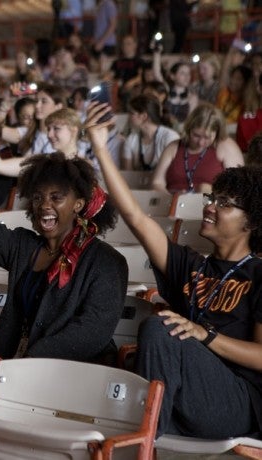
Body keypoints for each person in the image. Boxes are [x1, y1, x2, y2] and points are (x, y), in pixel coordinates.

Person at [86, 101, 262, 440]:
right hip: (185, 388)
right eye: (213, 198)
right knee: (152, 335)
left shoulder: (258, 274)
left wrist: (204, 335)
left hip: (237, 401)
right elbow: (136, 217)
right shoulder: (190, 264)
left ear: (251, 221)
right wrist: (98, 145)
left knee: (160, 327)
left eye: (225, 204)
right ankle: (149, 437)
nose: (211, 206)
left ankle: (144, 443)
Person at [0, 148, 126, 362]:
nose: (44, 205)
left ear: (78, 204)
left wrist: (30, 360)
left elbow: (92, 332)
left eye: (56, 197)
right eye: (38, 198)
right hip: (13, 364)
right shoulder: (23, 245)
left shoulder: (107, 261)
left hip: (74, 374)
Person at [151, 103, 244, 194]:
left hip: (211, 203)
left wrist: (212, 192)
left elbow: (238, 186)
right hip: (174, 201)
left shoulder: (226, 146)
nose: (200, 142)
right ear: (189, 129)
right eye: (196, 135)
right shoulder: (174, 146)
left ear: (217, 133)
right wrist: (172, 198)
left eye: (207, 137)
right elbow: (157, 182)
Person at [122, 94, 180, 170]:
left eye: (131, 113)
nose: (128, 117)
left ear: (144, 116)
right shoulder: (131, 139)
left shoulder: (170, 137)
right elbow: (127, 174)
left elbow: (176, 171)